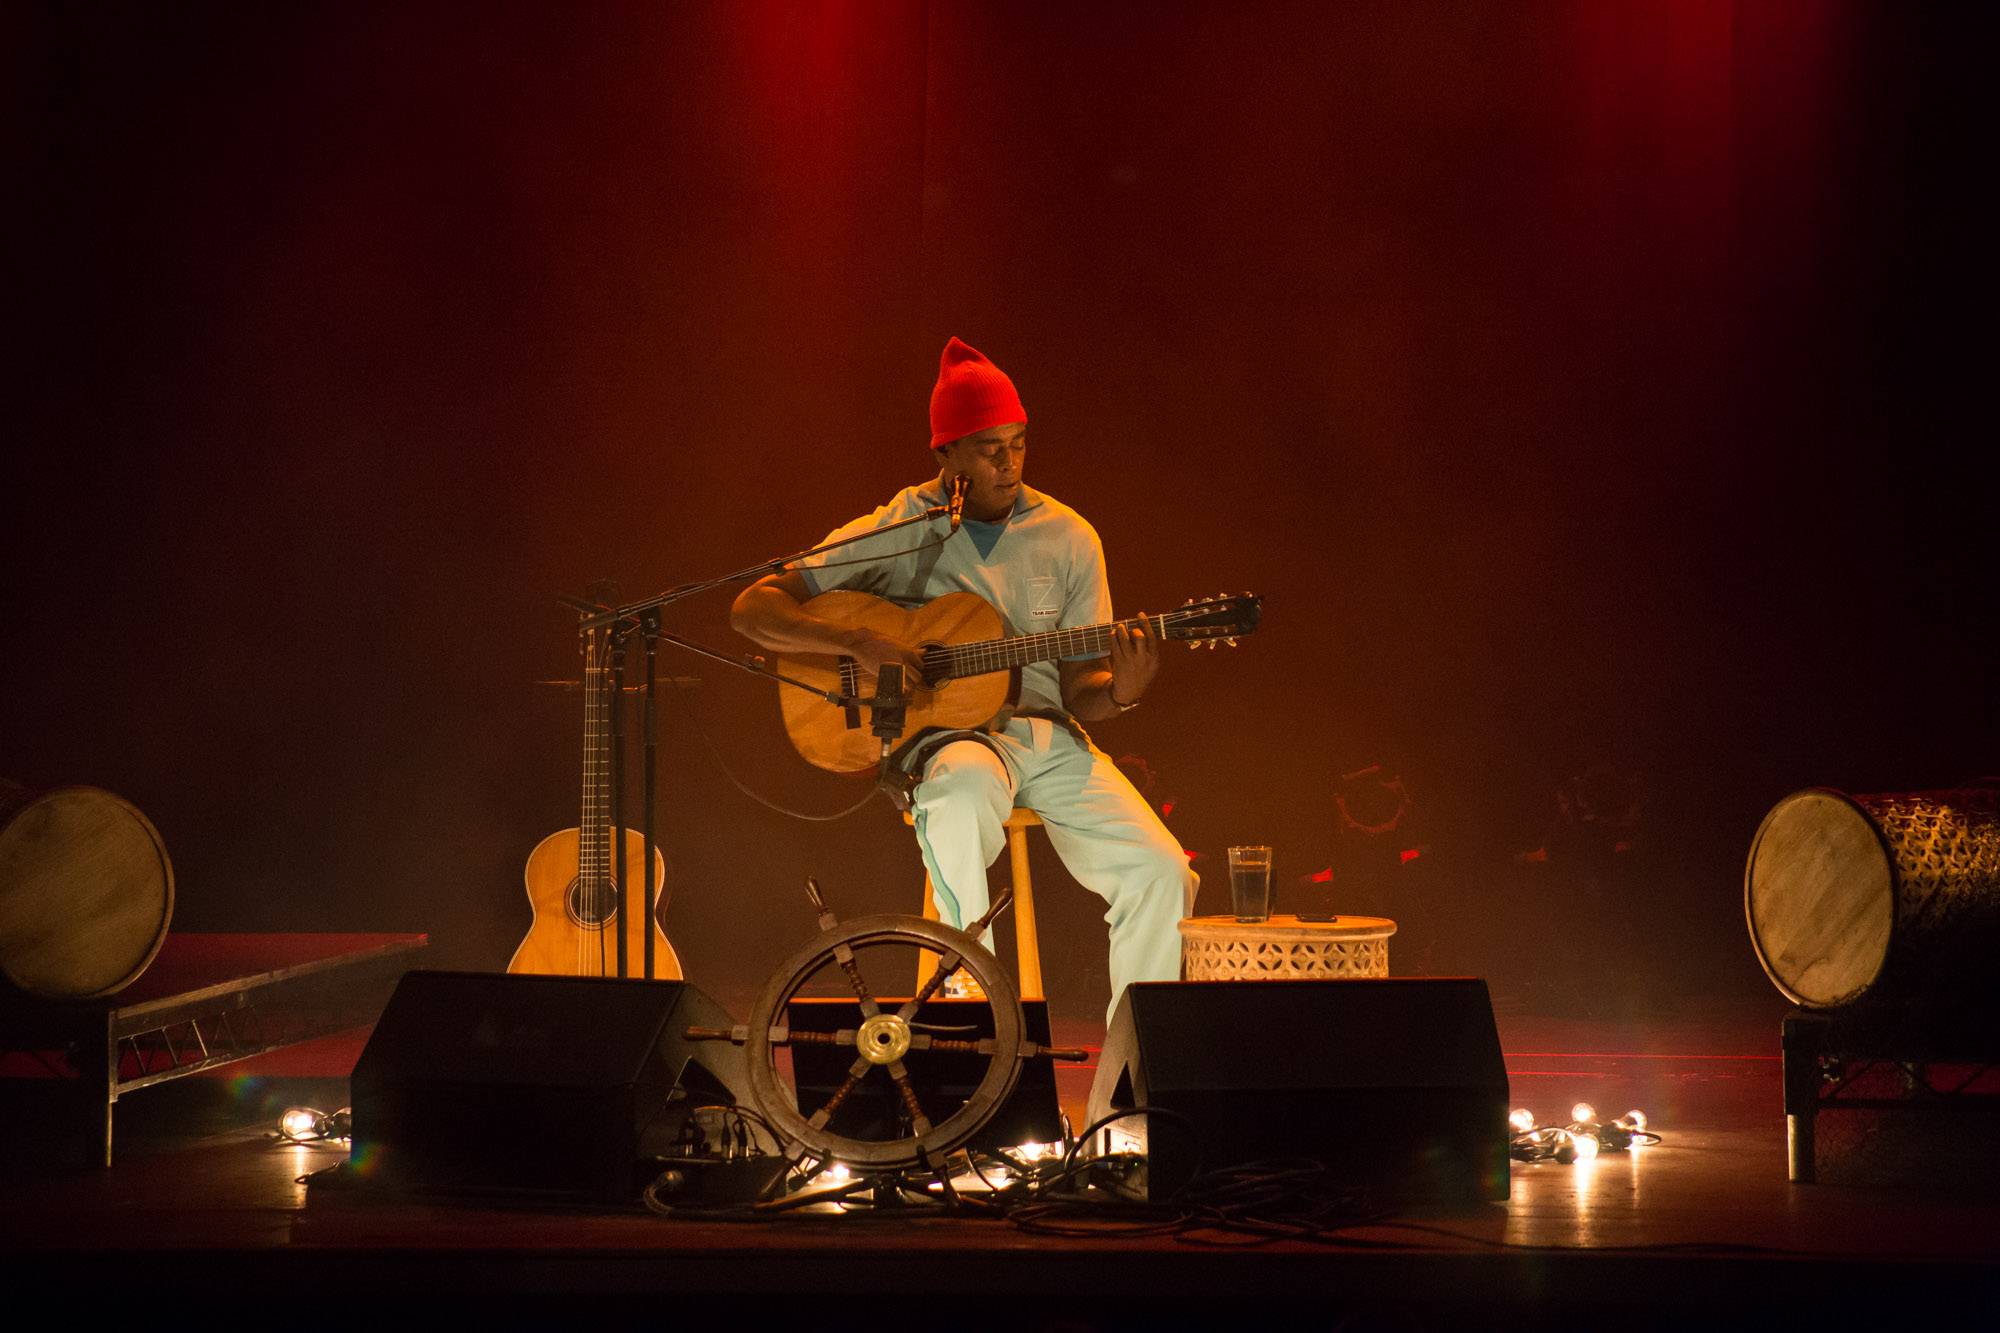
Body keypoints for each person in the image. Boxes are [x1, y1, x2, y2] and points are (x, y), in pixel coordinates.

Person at [730, 338, 1196, 1016]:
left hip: (1048, 737)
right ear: (945, 454)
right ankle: (977, 1019)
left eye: (1019, 443)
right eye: (988, 448)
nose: (1010, 463)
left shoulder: (1070, 537)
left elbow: (1080, 692)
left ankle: (1133, 1067)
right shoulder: (901, 528)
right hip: (954, 740)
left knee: (1162, 869)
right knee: (963, 791)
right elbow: (754, 609)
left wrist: (1122, 690)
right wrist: (855, 642)